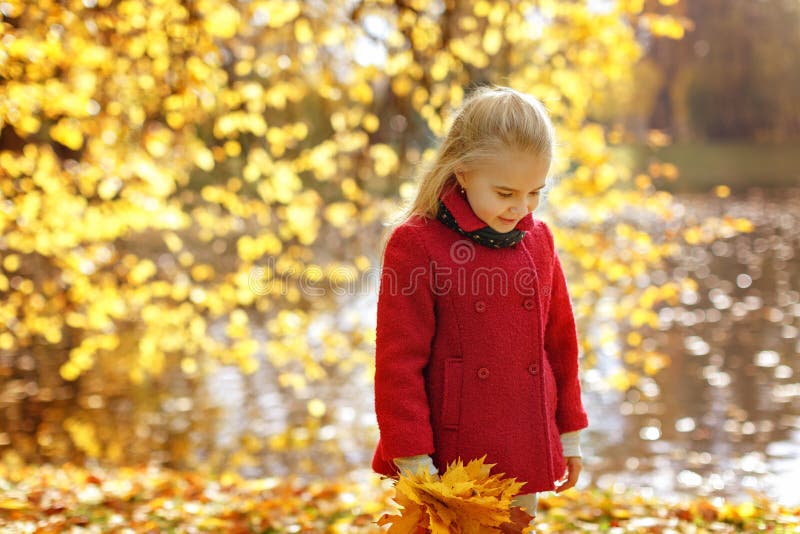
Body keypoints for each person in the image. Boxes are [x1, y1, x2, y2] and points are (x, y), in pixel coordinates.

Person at [371, 85, 589, 530]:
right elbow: (398, 363)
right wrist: (414, 458)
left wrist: (569, 435)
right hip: (449, 456)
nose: (521, 208)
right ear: (463, 172)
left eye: (534, 192)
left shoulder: (540, 241)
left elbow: (561, 343)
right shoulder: (416, 243)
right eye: (506, 191)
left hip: (526, 441)